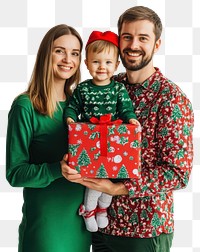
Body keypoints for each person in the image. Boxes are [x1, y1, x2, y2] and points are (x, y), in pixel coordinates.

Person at [61, 6, 194, 252]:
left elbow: (178, 173)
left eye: (143, 38)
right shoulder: (108, 84)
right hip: (100, 229)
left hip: (143, 231)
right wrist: (71, 161)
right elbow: (85, 133)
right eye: (127, 36)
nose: (133, 44)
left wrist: (117, 189)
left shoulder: (171, 99)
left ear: (156, 45)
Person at [6, 24, 91, 252]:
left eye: (74, 53)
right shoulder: (26, 106)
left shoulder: (81, 107)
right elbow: (14, 173)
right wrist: (56, 170)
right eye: (59, 51)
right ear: (46, 54)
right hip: (45, 230)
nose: (67, 59)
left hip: (80, 225)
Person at [65, 30, 139, 232]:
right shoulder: (83, 89)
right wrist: (70, 117)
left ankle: (103, 209)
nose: (102, 67)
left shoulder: (118, 89)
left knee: (112, 177)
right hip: (90, 141)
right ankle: (89, 209)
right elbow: (73, 106)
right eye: (96, 62)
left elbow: (125, 109)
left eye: (108, 63)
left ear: (116, 66)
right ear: (87, 63)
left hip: (113, 140)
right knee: (92, 178)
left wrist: (131, 118)